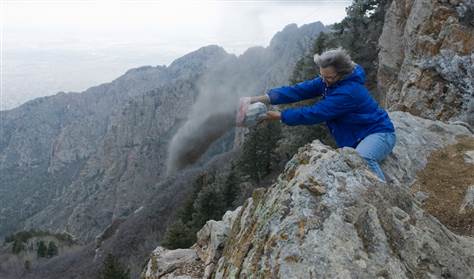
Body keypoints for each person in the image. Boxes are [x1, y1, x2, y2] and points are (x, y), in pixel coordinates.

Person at [249, 47, 396, 182]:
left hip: (379, 134)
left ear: (342, 73)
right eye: (322, 77)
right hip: (359, 135)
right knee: (355, 162)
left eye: (329, 78)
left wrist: (281, 115)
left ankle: (382, 195)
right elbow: (299, 90)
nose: (325, 81)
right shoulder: (329, 80)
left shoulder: (349, 92)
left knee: (363, 159)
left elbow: (316, 113)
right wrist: (260, 99)